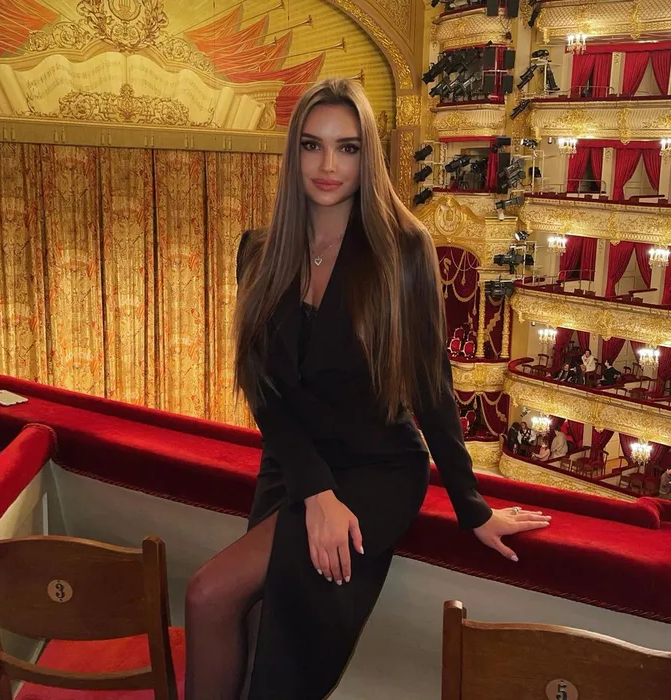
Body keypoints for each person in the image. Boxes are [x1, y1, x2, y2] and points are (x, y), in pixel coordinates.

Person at [183, 78, 552, 700]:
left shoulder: (402, 249)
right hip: (294, 466)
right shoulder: (260, 250)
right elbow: (264, 388)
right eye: (312, 145)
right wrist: (314, 490)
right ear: (293, 153)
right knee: (249, 622)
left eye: (347, 148)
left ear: (367, 155)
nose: (328, 165)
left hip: (375, 470)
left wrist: (472, 506)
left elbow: (431, 383)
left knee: (209, 595)